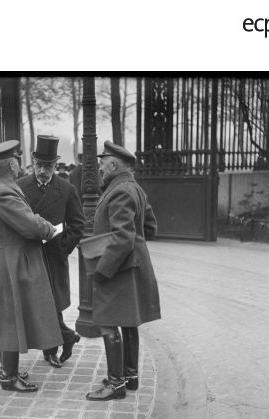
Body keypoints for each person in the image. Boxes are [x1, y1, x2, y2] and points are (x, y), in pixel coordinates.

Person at [0, 140, 64, 392]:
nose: (19, 163)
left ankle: (11, 371)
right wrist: (49, 228)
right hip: (14, 259)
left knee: (10, 316)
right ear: (10, 164)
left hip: (7, 257)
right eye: (16, 159)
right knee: (11, 317)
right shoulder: (3, 192)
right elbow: (29, 225)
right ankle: (8, 377)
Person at [84, 141, 161, 401]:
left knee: (106, 320)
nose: (100, 168)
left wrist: (103, 270)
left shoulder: (119, 191)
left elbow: (122, 236)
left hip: (118, 268)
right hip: (131, 265)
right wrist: (136, 248)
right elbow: (150, 227)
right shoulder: (134, 188)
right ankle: (130, 377)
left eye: (102, 163)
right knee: (128, 321)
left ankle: (116, 384)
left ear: (113, 164)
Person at [17, 135, 85, 367]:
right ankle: (65, 338)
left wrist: (63, 248)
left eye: (48, 166)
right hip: (30, 254)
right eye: (39, 165)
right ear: (33, 163)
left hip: (54, 255)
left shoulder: (66, 189)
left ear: (56, 166)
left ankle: (51, 350)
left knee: (52, 304)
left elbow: (78, 225)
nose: (43, 170)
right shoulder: (20, 187)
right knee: (37, 303)